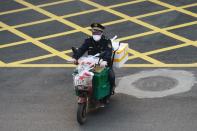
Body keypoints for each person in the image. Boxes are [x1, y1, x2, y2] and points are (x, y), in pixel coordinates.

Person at [72, 23, 115, 95]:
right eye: (94, 32)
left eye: (98, 32)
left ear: (101, 32)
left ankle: (110, 91)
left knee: (111, 76)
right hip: (91, 63)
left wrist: (105, 60)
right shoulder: (88, 40)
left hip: (102, 64)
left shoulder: (106, 41)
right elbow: (81, 49)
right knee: (79, 74)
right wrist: (75, 58)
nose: (96, 34)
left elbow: (108, 52)